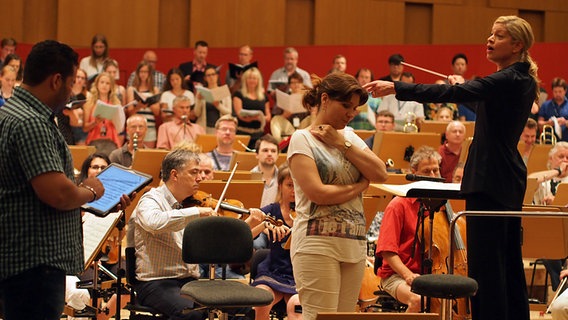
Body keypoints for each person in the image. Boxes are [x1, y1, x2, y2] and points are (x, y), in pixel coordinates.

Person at [364, 15, 539, 320]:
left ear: (517, 45)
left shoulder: (508, 79)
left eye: (498, 36)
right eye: (491, 33)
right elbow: (486, 106)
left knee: (487, 267)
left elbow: (452, 95)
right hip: (504, 178)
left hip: (491, 179)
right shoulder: (516, 79)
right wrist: (468, 88)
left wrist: (397, 87)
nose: (490, 39)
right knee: (506, 262)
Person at [0, 39, 109, 320]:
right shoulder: (31, 122)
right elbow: (58, 195)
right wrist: (91, 189)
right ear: (56, 80)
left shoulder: (9, 113)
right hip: (35, 262)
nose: (72, 90)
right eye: (71, 82)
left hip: (20, 258)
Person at [287, 72, 388, 320]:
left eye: (354, 108)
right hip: (315, 243)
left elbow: (381, 173)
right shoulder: (302, 139)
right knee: (318, 316)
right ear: (324, 99)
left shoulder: (350, 136)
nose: (351, 113)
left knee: (344, 317)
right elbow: (318, 193)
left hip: (353, 243)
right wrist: (358, 187)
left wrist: (342, 144)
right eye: (345, 105)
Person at [128, 148, 264, 319]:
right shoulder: (151, 200)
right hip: (156, 283)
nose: (200, 178)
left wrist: (253, 223)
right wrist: (196, 213)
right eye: (194, 173)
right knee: (192, 315)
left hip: (189, 282)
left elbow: (217, 247)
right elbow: (154, 223)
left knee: (245, 309)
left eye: (200, 172)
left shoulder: (185, 204)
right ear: (175, 175)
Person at [376, 146, 442, 312]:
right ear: (413, 173)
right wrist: (408, 275)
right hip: (397, 275)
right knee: (419, 299)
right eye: (427, 171)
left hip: (432, 276)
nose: (433, 176)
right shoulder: (398, 205)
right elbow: (387, 251)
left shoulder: (441, 206)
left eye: (436, 170)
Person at [252, 164, 302, 320]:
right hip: (273, 271)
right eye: (289, 185)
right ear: (280, 186)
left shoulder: (308, 213)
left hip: (300, 275)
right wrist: (263, 225)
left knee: (296, 306)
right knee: (261, 299)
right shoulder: (272, 210)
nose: (294, 191)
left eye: (298, 186)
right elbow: (245, 235)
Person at [126, 61, 162, 148]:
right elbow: (129, 112)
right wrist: (139, 106)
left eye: (145, 72)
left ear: (149, 74)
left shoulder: (154, 90)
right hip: (135, 126)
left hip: (149, 126)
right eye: (141, 72)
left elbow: (157, 112)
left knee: (147, 153)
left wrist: (148, 104)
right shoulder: (132, 89)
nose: (143, 74)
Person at [233, 67, 271, 149]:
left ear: (258, 80)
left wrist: (262, 118)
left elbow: (268, 116)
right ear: (245, 80)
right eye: (249, 78)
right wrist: (253, 118)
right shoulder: (238, 94)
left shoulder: (263, 97)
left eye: (254, 78)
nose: (252, 80)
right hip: (242, 133)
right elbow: (239, 114)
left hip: (258, 134)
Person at [82, 72, 122, 147]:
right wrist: (95, 122)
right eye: (102, 82)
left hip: (111, 140)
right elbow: (85, 128)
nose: (104, 85)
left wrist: (115, 120)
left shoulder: (116, 103)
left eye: (107, 83)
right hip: (94, 140)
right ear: (97, 84)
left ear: (111, 86)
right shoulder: (89, 103)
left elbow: (120, 128)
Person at [193, 65, 232, 133]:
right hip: (204, 127)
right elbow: (197, 113)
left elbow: (229, 112)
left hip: (220, 128)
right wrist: (198, 100)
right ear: (205, 78)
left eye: (213, 74)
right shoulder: (201, 91)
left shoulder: (223, 91)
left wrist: (218, 105)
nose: (211, 77)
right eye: (208, 75)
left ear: (217, 76)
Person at [251, 134, 280, 208]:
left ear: (278, 155)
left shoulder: (284, 178)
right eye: (265, 150)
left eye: (273, 151)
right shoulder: (248, 178)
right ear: (256, 154)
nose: (269, 154)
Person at [538, 77, 568, 142]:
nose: (557, 94)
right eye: (555, 92)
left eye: (560, 91)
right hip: (549, 142)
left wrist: (565, 122)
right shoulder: (545, 105)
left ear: (565, 91)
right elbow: (539, 124)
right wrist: (550, 123)